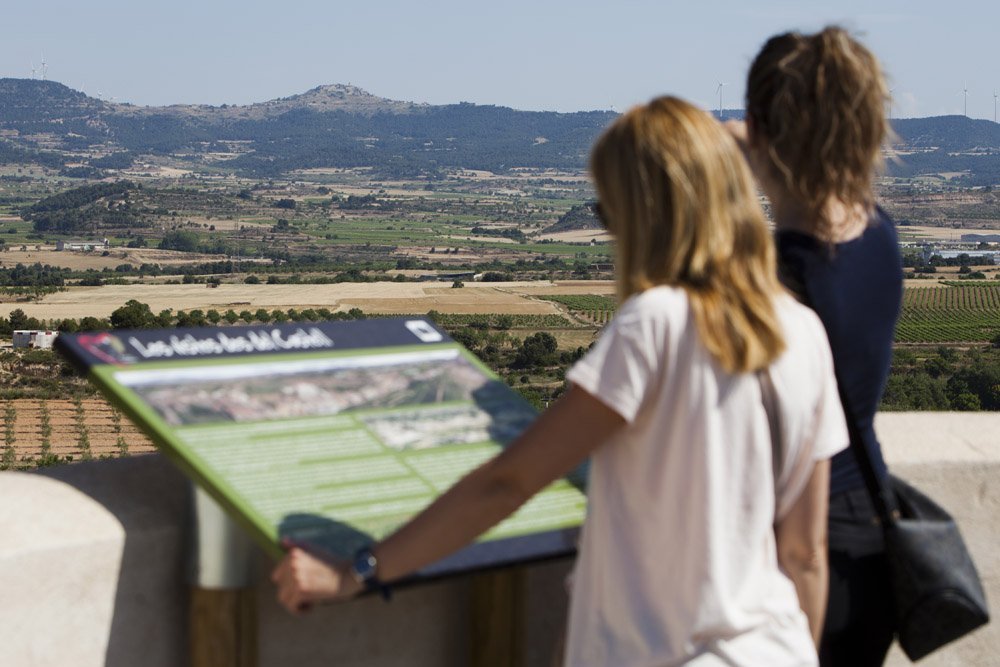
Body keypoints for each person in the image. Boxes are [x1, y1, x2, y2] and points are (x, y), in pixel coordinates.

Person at [273, 96, 848, 666]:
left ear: (642, 213)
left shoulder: (656, 323)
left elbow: (509, 483)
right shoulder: (802, 331)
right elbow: (805, 554)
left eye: (608, 212)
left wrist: (355, 572)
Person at [730, 26, 904, 667]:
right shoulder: (876, 232)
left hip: (795, 557)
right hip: (871, 541)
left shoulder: (776, 283)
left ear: (762, 132)